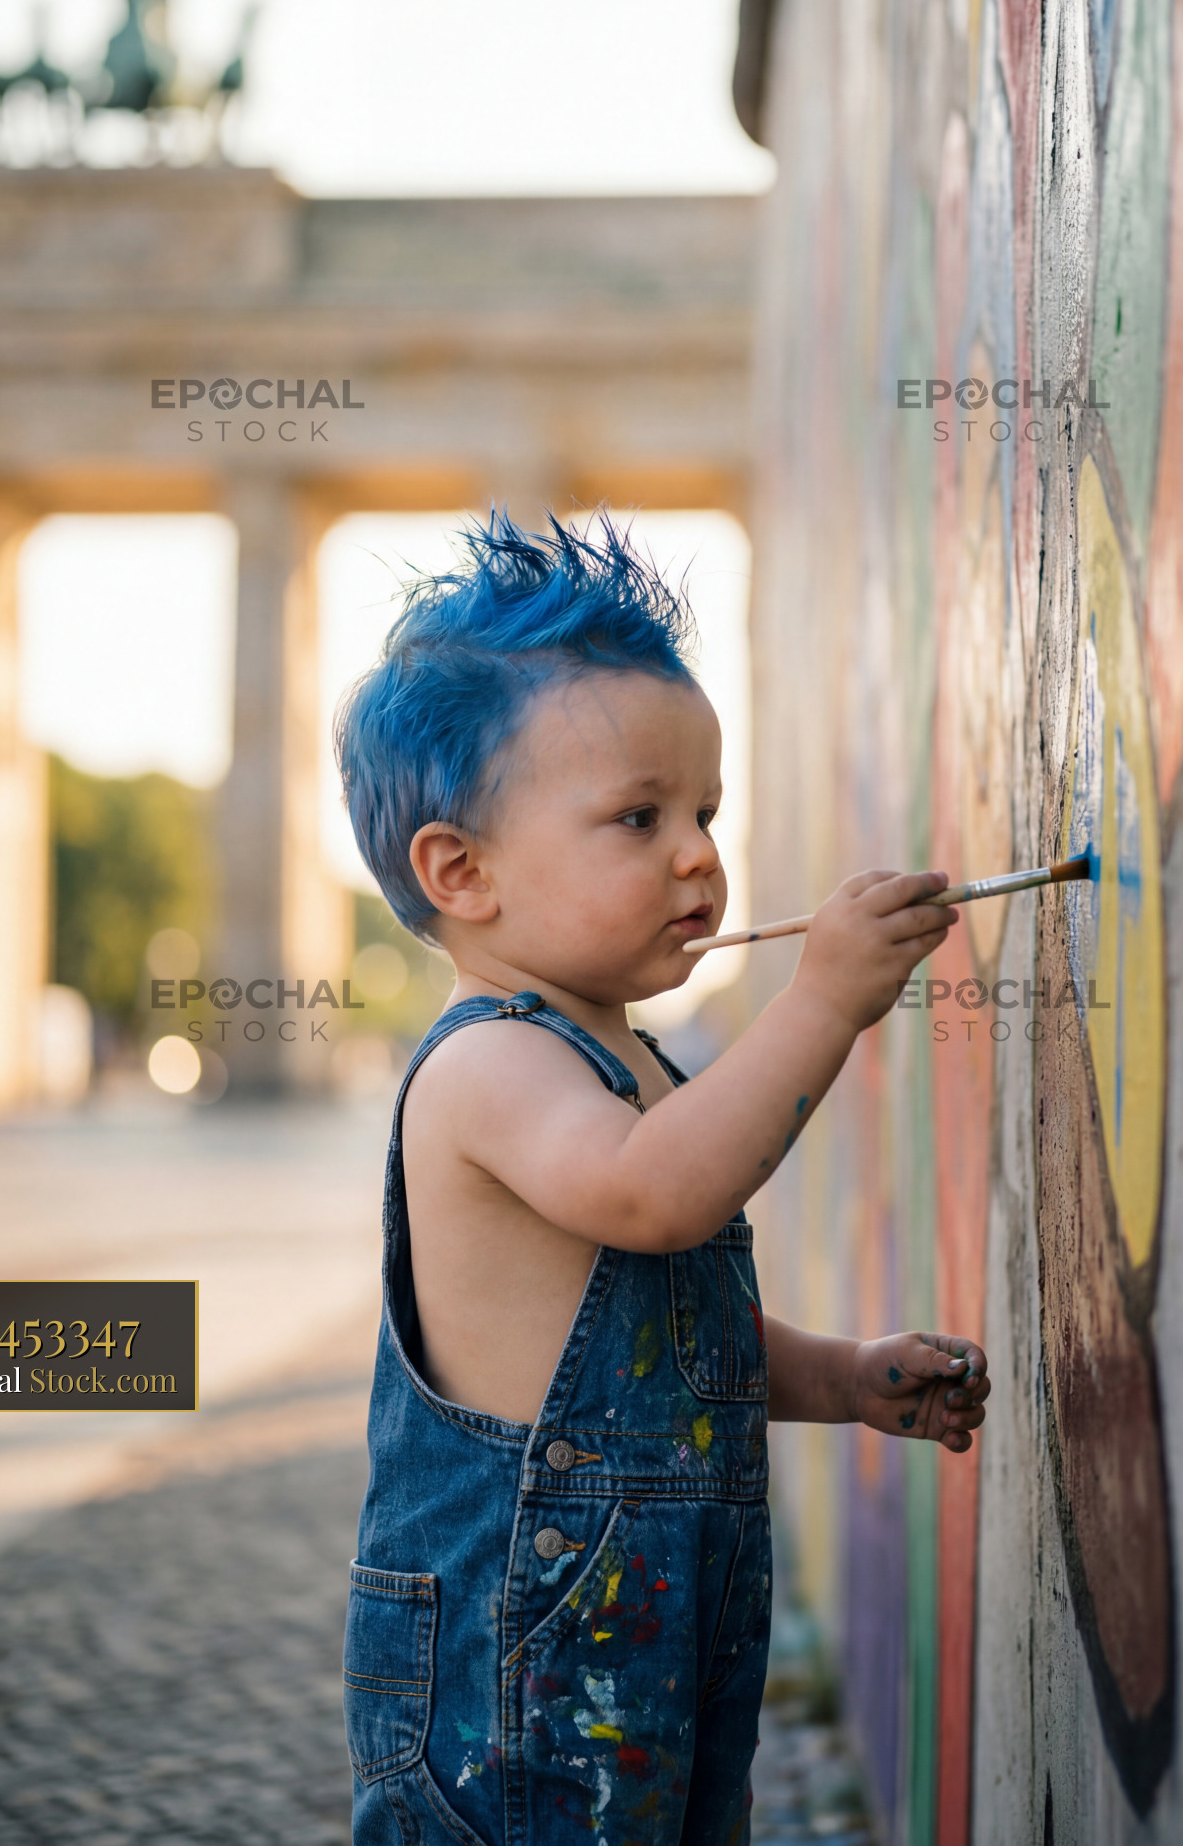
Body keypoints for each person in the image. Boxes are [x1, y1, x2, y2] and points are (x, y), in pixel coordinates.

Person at [334, 515, 989, 1845]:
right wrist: (826, 1005)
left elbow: (666, 1334)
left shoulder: (625, 1058)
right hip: (513, 1682)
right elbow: (653, 1199)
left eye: (705, 813)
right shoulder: (489, 1072)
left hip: (652, 1641)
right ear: (462, 874)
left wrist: (836, 1377)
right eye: (638, 819)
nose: (697, 854)